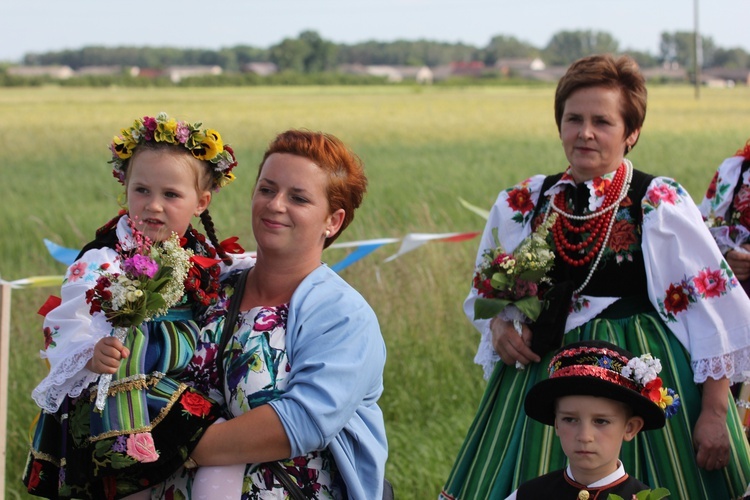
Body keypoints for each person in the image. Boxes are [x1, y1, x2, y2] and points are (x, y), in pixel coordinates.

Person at [440, 54, 750, 500]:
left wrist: (715, 413)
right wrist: (499, 327)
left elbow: (713, 317)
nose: (585, 132)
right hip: (546, 386)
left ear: (632, 133)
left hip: (643, 380)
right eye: (573, 119)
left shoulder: (657, 202)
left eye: (602, 121)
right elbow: (488, 294)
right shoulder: (524, 202)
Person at [150, 129, 388, 499]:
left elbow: (301, 423)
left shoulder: (343, 316)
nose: (275, 204)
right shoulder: (212, 284)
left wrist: (165, 444)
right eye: (266, 189)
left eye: (298, 197)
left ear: (333, 221)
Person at [23, 112, 242, 499]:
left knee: (223, 455)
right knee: (129, 483)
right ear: (125, 188)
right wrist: (91, 352)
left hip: (180, 388)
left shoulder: (198, 254)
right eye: (142, 190)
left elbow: (233, 271)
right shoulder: (104, 258)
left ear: (201, 201)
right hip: (122, 396)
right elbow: (66, 319)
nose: (153, 206)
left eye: (171, 195)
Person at [507, 340, 680, 499]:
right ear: (556, 423)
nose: (584, 436)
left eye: (601, 421)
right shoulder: (527, 495)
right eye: (570, 419)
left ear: (630, 428)